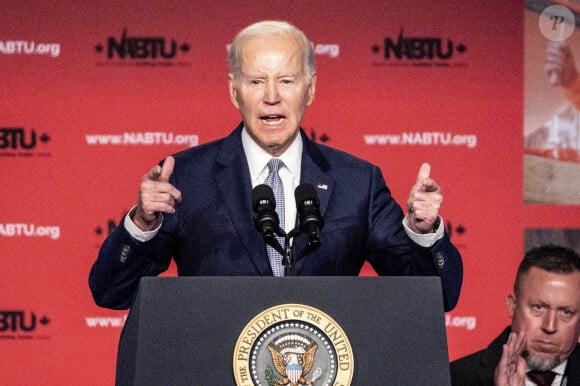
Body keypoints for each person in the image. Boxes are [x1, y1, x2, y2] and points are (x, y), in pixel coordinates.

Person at [88, 20, 463, 311]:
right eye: (256, 81)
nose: (271, 97)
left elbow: (437, 297)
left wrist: (423, 231)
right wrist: (141, 224)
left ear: (310, 88)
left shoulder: (356, 183)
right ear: (234, 90)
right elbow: (111, 292)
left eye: (286, 80)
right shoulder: (189, 177)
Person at [450, 245, 580, 386]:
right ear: (512, 306)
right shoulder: (454, 378)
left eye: (566, 312)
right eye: (539, 307)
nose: (550, 326)